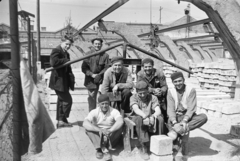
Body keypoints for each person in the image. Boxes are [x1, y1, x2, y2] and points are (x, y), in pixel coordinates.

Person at [167, 71, 208, 156]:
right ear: (173, 82)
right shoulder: (171, 92)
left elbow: (191, 108)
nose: (178, 83)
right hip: (175, 116)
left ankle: (177, 131)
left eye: (180, 81)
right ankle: (178, 135)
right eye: (175, 81)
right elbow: (170, 109)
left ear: (184, 80)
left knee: (203, 117)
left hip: (187, 117)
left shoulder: (191, 90)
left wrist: (184, 121)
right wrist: (175, 123)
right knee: (176, 145)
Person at [129, 80, 165, 160]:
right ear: (137, 92)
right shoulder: (133, 97)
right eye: (140, 93)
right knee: (139, 119)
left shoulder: (153, 97)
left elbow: (158, 110)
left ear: (148, 90)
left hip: (149, 117)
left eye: (144, 93)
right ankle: (143, 146)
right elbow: (136, 109)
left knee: (160, 119)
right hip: (137, 117)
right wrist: (144, 116)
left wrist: (153, 116)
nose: (142, 95)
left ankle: (157, 143)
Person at [83, 94, 123, 161]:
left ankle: (103, 148)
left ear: (109, 103)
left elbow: (120, 121)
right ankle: (101, 149)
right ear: (99, 104)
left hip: (110, 132)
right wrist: (100, 130)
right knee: (88, 129)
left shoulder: (114, 111)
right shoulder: (95, 111)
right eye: (102, 104)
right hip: (99, 133)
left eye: (106, 103)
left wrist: (110, 130)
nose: (104, 106)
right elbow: (85, 123)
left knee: (120, 127)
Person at [49, 35, 75, 128]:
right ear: (62, 42)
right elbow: (54, 63)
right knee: (67, 100)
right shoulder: (56, 50)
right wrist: (65, 60)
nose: (68, 46)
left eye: (70, 45)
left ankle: (61, 121)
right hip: (58, 81)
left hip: (64, 81)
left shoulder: (66, 53)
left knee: (61, 101)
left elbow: (68, 68)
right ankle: (62, 119)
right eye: (66, 44)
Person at [82, 37, 110, 112]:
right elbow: (84, 68)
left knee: (103, 98)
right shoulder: (87, 54)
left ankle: (102, 115)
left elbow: (107, 67)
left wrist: (99, 75)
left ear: (101, 45)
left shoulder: (105, 55)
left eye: (99, 44)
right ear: (93, 44)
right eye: (96, 44)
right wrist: (91, 74)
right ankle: (92, 116)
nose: (97, 45)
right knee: (92, 98)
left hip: (102, 80)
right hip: (91, 80)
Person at [137, 58, 168, 122]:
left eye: (149, 66)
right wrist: (153, 90)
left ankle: (165, 117)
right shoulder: (140, 74)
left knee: (166, 97)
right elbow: (140, 87)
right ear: (143, 67)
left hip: (158, 94)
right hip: (146, 93)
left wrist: (161, 91)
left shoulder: (159, 73)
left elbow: (164, 86)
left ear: (153, 66)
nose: (147, 68)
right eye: (146, 67)